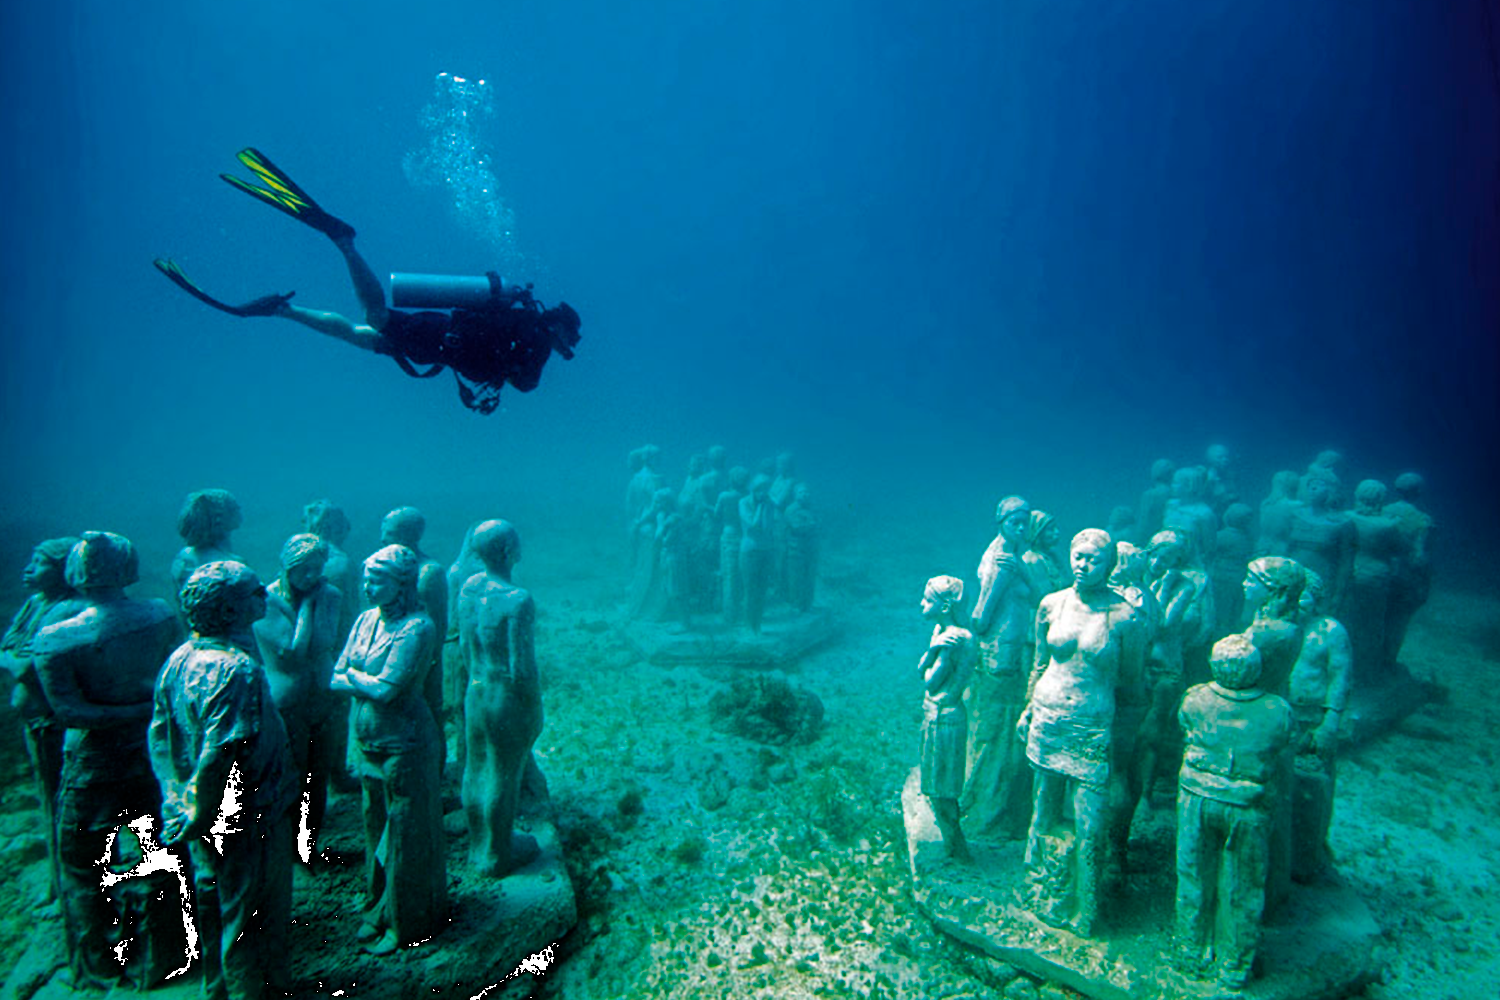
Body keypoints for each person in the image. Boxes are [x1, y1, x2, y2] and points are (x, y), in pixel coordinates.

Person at [155, 148, 580, 414]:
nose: (566, 349)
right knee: (375, 318)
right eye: (568, 340)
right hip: (438, 337)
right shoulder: (537, 338)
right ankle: (344, 242)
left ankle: (283, 310)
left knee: (363, 336)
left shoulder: (526, 325)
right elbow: (526, 384)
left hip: (438, 341)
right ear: (559, 327)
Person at [152, 561, 295, 1000]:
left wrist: (176, 797)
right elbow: (220, 750)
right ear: (231, 610)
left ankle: (216, 989)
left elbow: (160, 735)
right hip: (248, 812)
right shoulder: (238, 670)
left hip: (206, 815)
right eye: (254, 592)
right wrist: (200, 805)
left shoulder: (180, 658)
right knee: (249, 918)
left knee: (213, 904)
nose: (265, 596)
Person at [332, 545, 446, 953]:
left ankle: (408, 919)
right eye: (366, 578)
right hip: (367, 743)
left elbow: (389, 690)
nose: (366, 586)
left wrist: (355, 677)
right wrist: (364, 680)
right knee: (374, 826)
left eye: (376, 580)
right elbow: (336, 677)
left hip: (407, 743)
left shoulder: (418, 627)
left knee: (407, 832)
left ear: (401, 583)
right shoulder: (365, 620)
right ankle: (378, 905)